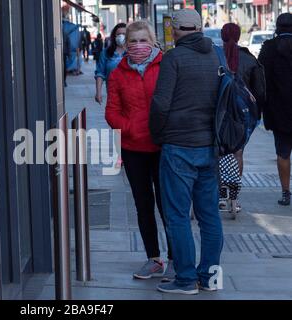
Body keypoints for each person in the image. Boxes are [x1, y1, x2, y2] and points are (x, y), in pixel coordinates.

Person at [150, 9, 224, 295]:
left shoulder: (174, 58)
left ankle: (185, 279)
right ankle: (209, 277)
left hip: (179, 146)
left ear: (178, 29)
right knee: (209, 216)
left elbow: (160, 104)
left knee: (178, 215)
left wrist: (159, 135)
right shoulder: (216, 55)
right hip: (210, 146)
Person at [105, 20, 174, 282]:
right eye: (132, 41)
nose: (138, 45)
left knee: (168, 205)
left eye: (143, 40)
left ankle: (177, 259)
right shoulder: (118, 73)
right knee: (143, 205)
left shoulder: (166, 65)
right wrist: (129, 127)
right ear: (125, 43)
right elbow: (111, 111)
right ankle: (154, 258)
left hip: (162, 146)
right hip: (134, 149)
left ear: (152, 41)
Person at [220, 22, 266, 211]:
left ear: (222, 36)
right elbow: (261, 91)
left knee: (219, 153)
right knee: (238, 153)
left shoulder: (214, 56)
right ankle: (234, 198)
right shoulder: (249, 59)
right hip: (244, 115)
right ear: (239, 36)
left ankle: (220, 196)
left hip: (219, 113)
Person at [259, 13, 292, 206]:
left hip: (279, 112)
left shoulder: (268, 49)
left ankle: (286, 192)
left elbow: (261, 81)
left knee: (282, 153)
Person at [95, 23, 126, 168]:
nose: (121, 37)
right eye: (119, 34)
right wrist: (98, 92)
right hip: (113, 95)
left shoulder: (132, 52)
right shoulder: (106, 53)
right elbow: (100, 73)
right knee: (116, 126)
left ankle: (129, 151)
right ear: (114, 36)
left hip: (131, 95)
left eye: (124, 34)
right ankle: (120, 155)